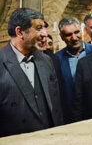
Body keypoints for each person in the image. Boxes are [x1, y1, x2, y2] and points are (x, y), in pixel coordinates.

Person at [0, 8, 63, 137]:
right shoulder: (2, 62)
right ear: (20, 32)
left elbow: (56, 105)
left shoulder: (46, 60)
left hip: (49, 141)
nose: (45, 33)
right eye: (38, 28)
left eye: (44, 28)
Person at [56, 17, 92, 121]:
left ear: (82, 30)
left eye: (76, 32)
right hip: (72, 117)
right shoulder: (56, 59)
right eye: (69, 35)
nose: (74, 38)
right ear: (61, 37)